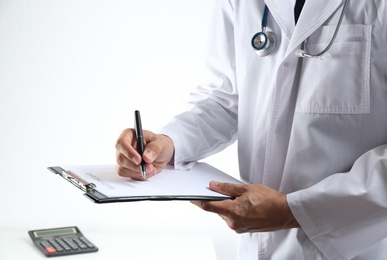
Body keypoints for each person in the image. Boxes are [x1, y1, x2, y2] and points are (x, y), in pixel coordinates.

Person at [115, 0, 387, 259]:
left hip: (360, 246)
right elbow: (226, 96)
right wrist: (169, 142)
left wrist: (293, 211)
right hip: (258, 245)